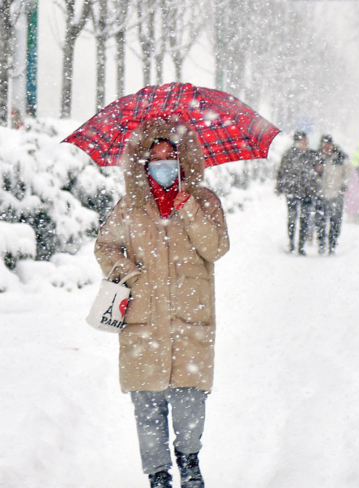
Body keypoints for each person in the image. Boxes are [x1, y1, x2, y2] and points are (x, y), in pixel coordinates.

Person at [94, 118, 230, 488]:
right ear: (143, 162)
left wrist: (189, 208)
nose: (164, 163)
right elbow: (105, 246)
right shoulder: (131, 207)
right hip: (144, 321)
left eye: (171, 156)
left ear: (184, 159)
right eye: (155, 157)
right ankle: (157, 474)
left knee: (190, 398)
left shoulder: (204, 201)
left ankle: (189, 460)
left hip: (191, 318)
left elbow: (215, 248)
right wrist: (131, 274)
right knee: (147, 404)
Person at [276, 131, 319, 255]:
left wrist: (317, 174)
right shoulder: (289, 155)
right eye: (302, 141)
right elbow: (282, 171)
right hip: (293, 191)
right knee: (292, 218)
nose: (305, 144)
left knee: (304, 219)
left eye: (306, 141)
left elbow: (319, 170)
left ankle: (301, 245)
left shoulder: (311, 155)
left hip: (307, 192)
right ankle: (291, 243)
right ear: (296, 142)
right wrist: (279, 187)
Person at [314, 135, 350, 254]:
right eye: (324, 146)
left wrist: (343, 187)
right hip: (321, 194)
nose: (327, 148)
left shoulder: (341, 157)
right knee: (320, 221)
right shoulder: (317, 157)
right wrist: (316, 172)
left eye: (328, 145)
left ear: (332, 145)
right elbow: (311, 175)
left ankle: (332, 243)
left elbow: (348, 173)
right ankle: (321, 243)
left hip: (336, 193)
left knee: (335, 221)